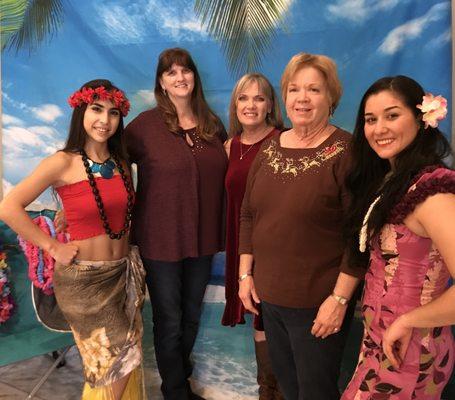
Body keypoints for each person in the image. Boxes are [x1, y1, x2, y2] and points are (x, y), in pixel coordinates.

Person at [0, 79, 146, 400]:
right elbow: (9, 207)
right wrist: (52, 246)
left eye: (112, 113)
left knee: (118, 361)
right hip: (85, 282)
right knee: (116, 362)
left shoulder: (121, 163)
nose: (104, 121)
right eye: (96, 109)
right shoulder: (62, 162)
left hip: (122, 273)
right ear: (81, 110)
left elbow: (115, 213)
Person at [237, 52, 366, 400]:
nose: (302, 98)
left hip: (318, 303)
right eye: (294, 89)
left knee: (315, 392)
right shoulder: (270, 147)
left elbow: (360, 235)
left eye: (314, 90)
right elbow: (249, 213)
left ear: (331, 98)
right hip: (270, 298)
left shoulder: (347, 152)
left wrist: (339, 299)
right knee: (289, 389)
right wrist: (245, 275)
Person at [341, 75, 455, 399]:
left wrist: (410, 321)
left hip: (413, 350)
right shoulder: (393, 180)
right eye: (370, 119)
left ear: (421, 119)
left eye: (392, 116)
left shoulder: (433, 193)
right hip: (383, 342)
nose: (379, 129)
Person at [124, 48, 227, 400]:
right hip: (160, 240)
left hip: (202, 239)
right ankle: (175, 392)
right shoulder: (144, 126)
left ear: (194, 77)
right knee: (169, 320)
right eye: (171, 72)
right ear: (161, 82)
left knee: (192, 316)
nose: (180, 77)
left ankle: (180, 381)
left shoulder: (213, 124)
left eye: (185, 70)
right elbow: (110, 164)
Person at [221, 73, 284, 399]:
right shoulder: (230, 146)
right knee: (259, 321)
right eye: (244, 98)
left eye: (259, 98)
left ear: (270, 105)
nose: (251, 105)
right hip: (241, 244)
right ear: (235, 104)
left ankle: (278, 389)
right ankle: (267, 391)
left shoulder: (282, 140)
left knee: (275, 322)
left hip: (273, 247)